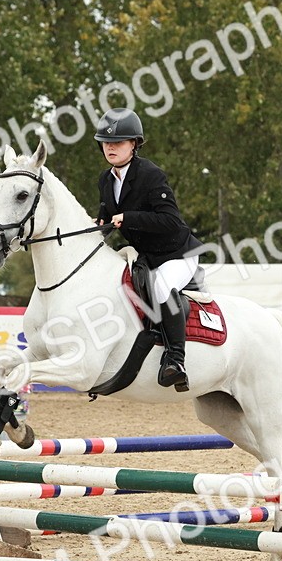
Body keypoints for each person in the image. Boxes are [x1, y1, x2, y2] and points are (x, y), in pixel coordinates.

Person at [94, 108, 202, 391]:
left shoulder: (151, 175)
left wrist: (129, 218)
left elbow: (169, 221)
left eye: (119, 142)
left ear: (134, 144)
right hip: (145, 257)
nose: (111, 147)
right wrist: (98, 225)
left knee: (162, 287)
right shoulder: (106, 180)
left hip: (177, 254)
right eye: (106, 143)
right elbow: (107, 218)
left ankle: (175, 360)